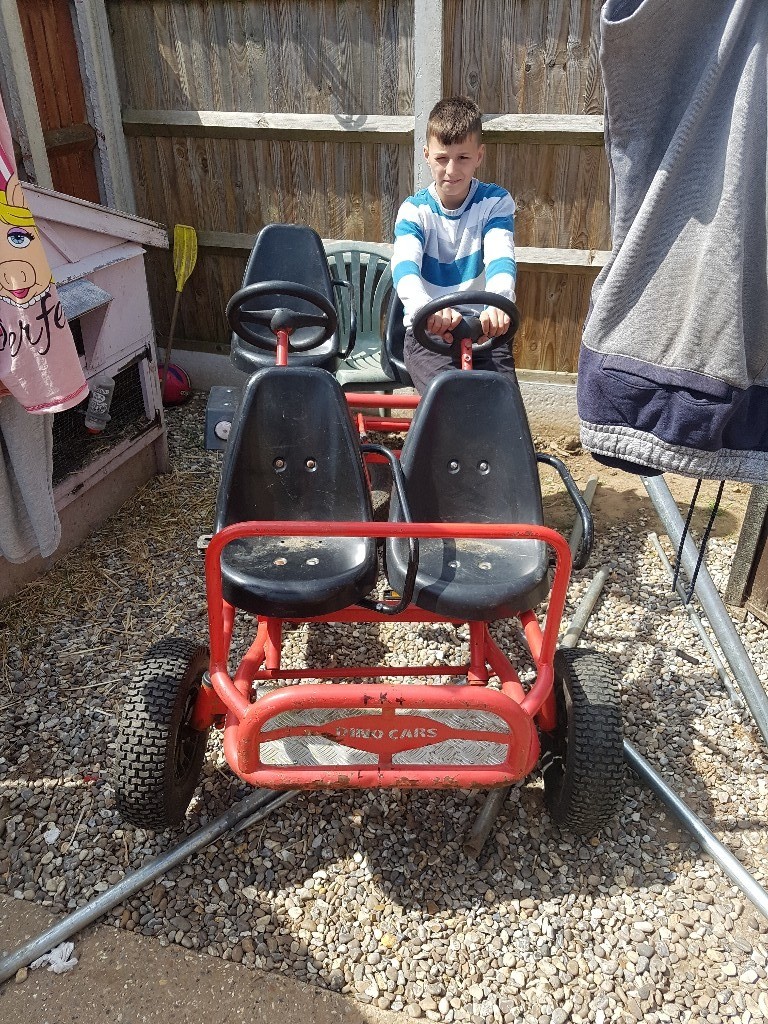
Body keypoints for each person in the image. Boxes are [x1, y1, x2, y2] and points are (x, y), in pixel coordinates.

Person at [391, 96, 518, 395]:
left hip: (484, 332)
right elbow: (405, 267)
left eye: (462, 157)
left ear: (479, 155)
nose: (451, 169)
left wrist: (497, 303)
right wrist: (426, 310)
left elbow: (501, 257)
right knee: (451, 404)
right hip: (430, 336)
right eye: (441, 158)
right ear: (426, 155)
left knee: (504, 409)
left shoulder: (495, 202)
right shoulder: (414, 210)